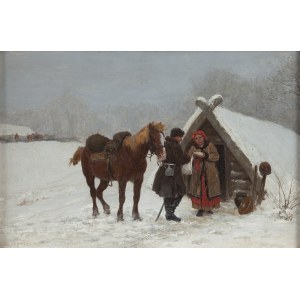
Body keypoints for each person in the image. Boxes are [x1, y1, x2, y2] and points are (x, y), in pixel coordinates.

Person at [152, 127, 190, 222]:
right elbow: (179, 160)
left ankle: (169, 213)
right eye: (180, 137)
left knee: (168, 193)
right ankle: (170, 212)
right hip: (173, 172)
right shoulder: (175, 145)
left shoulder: (165, 144)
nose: (181, 139)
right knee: (180, 191)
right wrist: (187, 157)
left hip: (165, 170)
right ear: (176, 136)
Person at [187, 130, 222, 216]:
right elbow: (188, 157)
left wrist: (206, 156)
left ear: (203, 137)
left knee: (208, 189)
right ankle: (200, 208)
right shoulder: (193, 147)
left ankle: (208, 208)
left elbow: (217, 156)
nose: (198, 140)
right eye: (196, 138)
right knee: (200, 190)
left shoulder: (210, 145)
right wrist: (194, 156)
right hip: (198, 172)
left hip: (210, 172)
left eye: (200, 137)